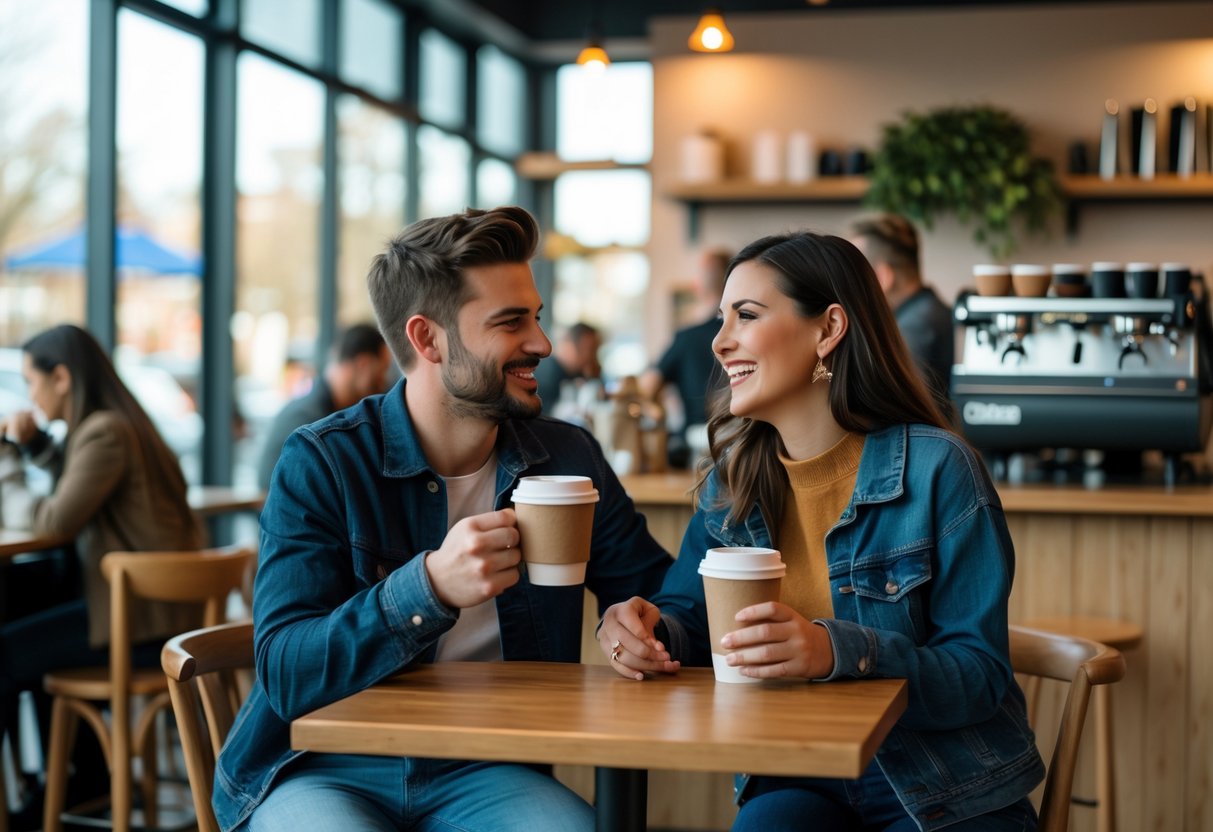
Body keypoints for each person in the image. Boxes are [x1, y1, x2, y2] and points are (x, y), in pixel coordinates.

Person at [215, 206, 672, 832]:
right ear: (427, 339)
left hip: (490, 768)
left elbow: (662, 593)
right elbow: (287, 672)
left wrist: (646, 623)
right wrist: (426, 588)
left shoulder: (567, 456)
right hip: (322, 765)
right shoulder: (323, 460)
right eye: (511, 323)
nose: (541, 344)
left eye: (536, 318)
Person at [598, 232, 1044, 831]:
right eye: (722, 316)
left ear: (828, 329)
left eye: (746, 316)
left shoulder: (940, 469)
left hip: (944, 783)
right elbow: (690, 617)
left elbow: (979, 674)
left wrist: (836, 650)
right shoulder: (731, 483)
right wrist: (648, 631)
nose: (719, 340)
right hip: (795, 772)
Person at [0, 324, 205, 828]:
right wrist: (37, 448)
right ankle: (79, 779)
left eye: (32, 381)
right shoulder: (123, 424)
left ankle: (60, 789)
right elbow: (79, 486)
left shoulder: (105, 431)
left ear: (62, 378)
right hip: (157, 614)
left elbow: (54, 519)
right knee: (32, 628)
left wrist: (6, 460)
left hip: (139, 624)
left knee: (7, 651)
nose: (30, 395)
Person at [256, 322, 391, 490]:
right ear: (362, 364)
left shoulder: (321, 413)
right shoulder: (310, 422)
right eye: (382, 371)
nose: (383, 382)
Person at [848, 213, 955, 410]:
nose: (850, 287)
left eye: (854, 276)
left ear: (882, 277)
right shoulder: (934, 312)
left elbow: (903, 413)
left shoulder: (913, 329)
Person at [641, 247, 731, 467]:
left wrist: (658, 414)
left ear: (699, 284)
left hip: (698, 447)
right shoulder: (748, 332)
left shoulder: (686, 338)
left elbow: (646, 388)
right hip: (749, 439)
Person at [533, 321, 601, 417]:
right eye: (589, 349)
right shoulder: (547, 373)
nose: (591, 356)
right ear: (568, 345)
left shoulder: (578, 373)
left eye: (595, 350)